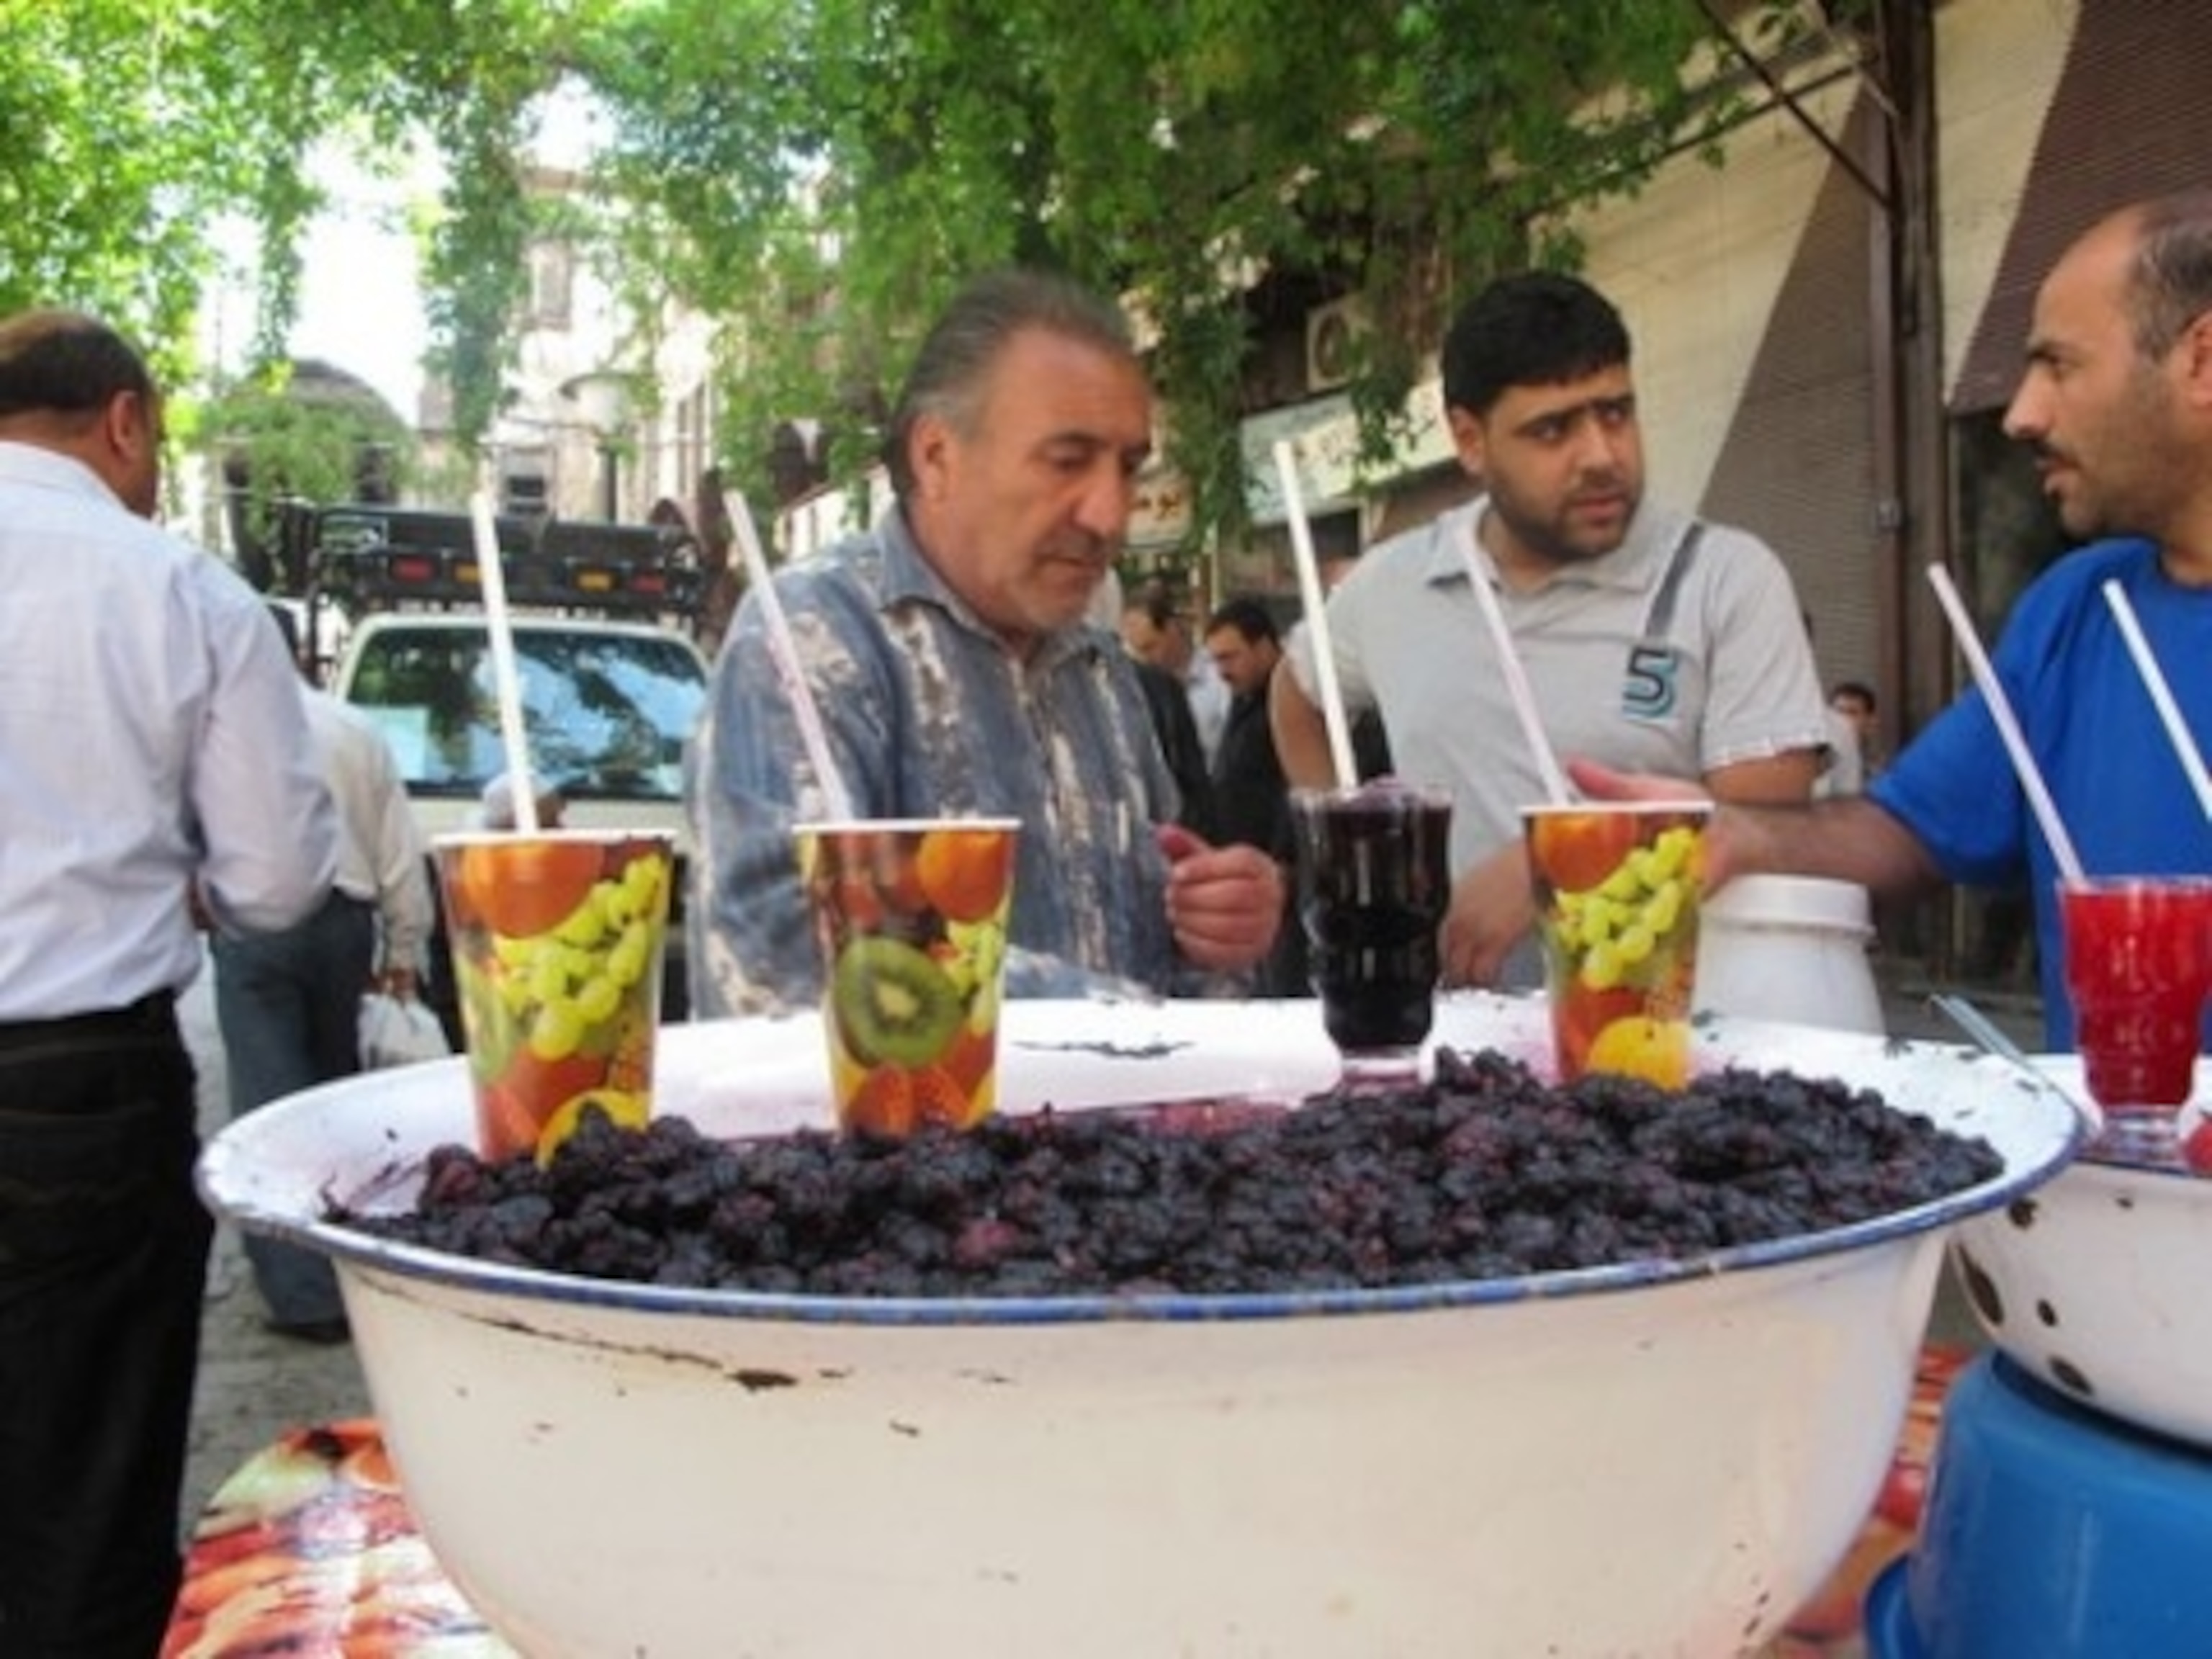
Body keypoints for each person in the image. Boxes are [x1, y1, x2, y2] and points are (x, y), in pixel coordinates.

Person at [1579, 190, 2212, 1051]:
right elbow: (1912, 831)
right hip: (2122, 1179)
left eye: (2059, 366)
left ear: (2202, 361)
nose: (2022, 412)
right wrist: (1735, 832)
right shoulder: (2079, 605)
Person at [0, 310, 338, 1655]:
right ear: (125, 420)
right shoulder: (176, 589)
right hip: (70, 1102)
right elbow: (277, 883)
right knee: (82, 1501)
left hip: (71, 1097)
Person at [688, 268, 1282, 1014]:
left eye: (1128, 468)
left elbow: (1178, 975)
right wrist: (1124, 1020)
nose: (1110, 513)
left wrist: (1222, 929)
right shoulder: (810, 641)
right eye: (1068, 461)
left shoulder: (1099, 669)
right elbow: (780, 965)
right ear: (936, 457)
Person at [1271, 270, 1830, 987]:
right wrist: (1346, 835)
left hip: (1661, 1031)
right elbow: (1298, 692)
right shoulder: (1395, 583)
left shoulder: (1726, 579)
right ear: (1470, 440)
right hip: (1459, 1037)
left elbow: (1766, 816)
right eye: (1553, 429)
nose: (1600, 456)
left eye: (1616, 413)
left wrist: (1553, 858)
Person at [210, 605, 434, 1344]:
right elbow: (397, 845)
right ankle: (352, 1265)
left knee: (269, 1099)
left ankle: (304, 1296)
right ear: (300, 652)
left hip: (252, 930)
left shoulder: (217, 731)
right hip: (346, 922)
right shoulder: (351, 729)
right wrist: (404, 950)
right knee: (338, 1098)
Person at [1202, 595, 1304, 994]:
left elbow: (1299, 785)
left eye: (1231, 657)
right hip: (1243, 874)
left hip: (1282, 880)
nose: (1222, 672)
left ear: (1265, 647)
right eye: (1216, 660)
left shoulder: (1294, 707)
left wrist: (1285, 860)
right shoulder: (1244, 702)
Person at [1829, 678, 1883, 781]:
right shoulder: (1818, 765)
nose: (1843, 720)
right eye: (1838, 712)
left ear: (1871, 721)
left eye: (1852, 713)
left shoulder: (1879, 771)